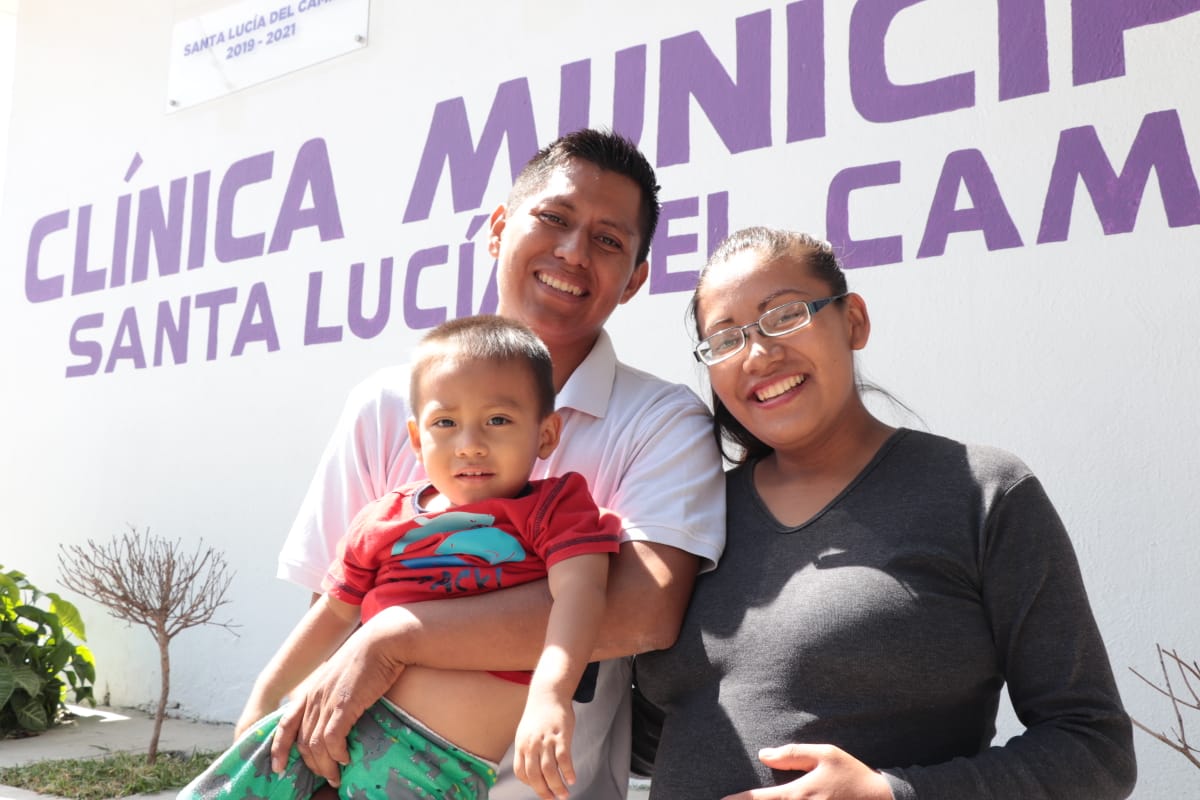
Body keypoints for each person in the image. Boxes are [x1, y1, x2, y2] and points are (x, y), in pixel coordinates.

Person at [272, 129, 726, 799]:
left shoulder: (662, 421)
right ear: (497, 230)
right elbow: (334, 607)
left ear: (635, 280)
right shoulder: (385, 405)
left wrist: (397, 635)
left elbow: (642, 608)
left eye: (608, 240)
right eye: (554, 218)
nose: (573, 253)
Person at [633, 227, 1137, 799]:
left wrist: (890, 794)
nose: (759, 354)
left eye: (784, 316)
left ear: (853, 321)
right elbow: (651, 740)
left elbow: (1095, 749)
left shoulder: (980, 492)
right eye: (725, 340)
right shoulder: (688, 516)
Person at [182, 316, 623, 800]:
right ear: (417, 438)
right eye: (445, 423)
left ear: (546, 434)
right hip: (324, 726)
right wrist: (264, 698)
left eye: (498, 420)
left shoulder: (555, 509)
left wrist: (550, 695)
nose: (470, 444)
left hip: (430, 770)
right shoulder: (382, 519)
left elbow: (581, 593)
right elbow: (333, 613)